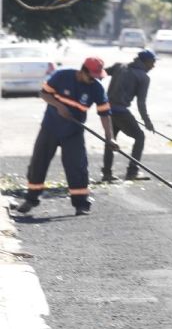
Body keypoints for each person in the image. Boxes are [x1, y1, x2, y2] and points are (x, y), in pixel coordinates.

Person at [15, 58, 117, 216]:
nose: (94, 80)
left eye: (97, 77)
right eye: (91, 76)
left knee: (77, 167)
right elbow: (44, 93)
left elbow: (104, 114)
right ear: (82, 71)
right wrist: (59, 106)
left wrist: (109, 138)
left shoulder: (96, 88)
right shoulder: (62, 76)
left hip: (73, 132)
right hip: (50, 127)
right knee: (38, 163)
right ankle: (31, 199)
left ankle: (81, 204)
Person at [102, 49, 156, 181]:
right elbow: (141, 102)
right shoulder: (143, 77)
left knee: (111, 139)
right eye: (152, 63)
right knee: (140, 137)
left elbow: (99, 74)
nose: (153, 66)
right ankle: (132, 171)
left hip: (107, 110)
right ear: (145, 62)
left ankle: (107, 173)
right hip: (120, 111)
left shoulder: (119, 66)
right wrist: (147, 121)